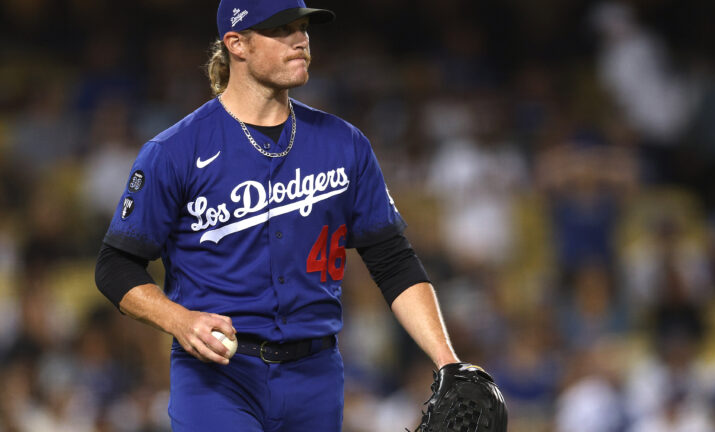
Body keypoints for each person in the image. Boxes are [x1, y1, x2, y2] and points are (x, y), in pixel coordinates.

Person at [94, 1, 464, 431]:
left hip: (317, 376)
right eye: (281, 29)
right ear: (237, 44)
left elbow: (393, 261)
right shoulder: (176, 151)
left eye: (303, 28)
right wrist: (178, 318)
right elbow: (115, 265)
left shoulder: (345, 145)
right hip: (217, 377)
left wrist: (447, 360)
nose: (300, 40)